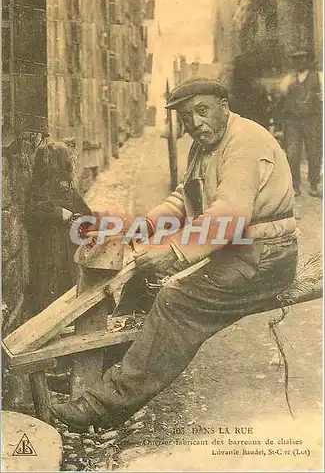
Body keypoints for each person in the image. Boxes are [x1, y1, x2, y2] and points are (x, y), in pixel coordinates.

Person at [51, 76, 298, 431]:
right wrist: (143, 228)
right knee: (143, 277)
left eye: (202, 111)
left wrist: (175, 253)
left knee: (175, 299)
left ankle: (103, 407)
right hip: (240, 251)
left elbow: (229, 217)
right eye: (186, 116)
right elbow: (186, 198)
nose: (195, 123)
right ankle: (103, 366)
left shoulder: (245, 143)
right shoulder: (205, 144)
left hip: (267, 257)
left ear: (223, 107)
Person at [24, 137, 92, 320]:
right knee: (49, 293)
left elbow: (87, 215)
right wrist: (58, 212)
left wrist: (77, 219)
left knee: (66, 289)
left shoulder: (67, 191)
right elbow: (32, 211)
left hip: (65, 255)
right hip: (47, 255)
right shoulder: (39, 191)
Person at [276, 49, 323, 197]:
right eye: (295, 59)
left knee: (314, 152)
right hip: (293, 121)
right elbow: (281, 97)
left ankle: (314, 185)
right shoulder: (288, 79)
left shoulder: (319, 77)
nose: (299, 62)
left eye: (302, 58)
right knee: (292, 153)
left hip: (312, 120)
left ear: (307, 60)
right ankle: (295, 185)